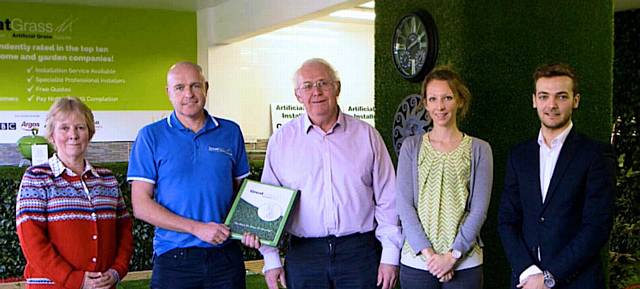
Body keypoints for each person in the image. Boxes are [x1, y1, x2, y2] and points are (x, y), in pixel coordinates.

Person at [242, 58, 402, 289]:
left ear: (337, 87)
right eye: (307, 86)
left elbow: (388, 198)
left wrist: (390, 255)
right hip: (304, 256)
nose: (316, 92)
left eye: (323, 83)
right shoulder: (282, 141)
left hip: (360, 254)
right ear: (298, 95)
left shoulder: (367, 136)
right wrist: (271, 258)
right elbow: (269, 204)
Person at [127, 61, 250, 289]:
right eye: (179, 87)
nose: (188, 94)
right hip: (174, 258)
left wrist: (253, 228)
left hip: (225, 256)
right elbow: (141, 205)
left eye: (195, 86)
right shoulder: (150, 136)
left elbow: (243, 194)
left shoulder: (230, 132)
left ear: (206, 87)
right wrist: (197, 228)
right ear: (169, 93)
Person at [498, 63, 616, 289]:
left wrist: (549, 277)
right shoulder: (519, 156)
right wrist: (529, 272)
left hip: (577, 282)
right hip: (526, 282)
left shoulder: (595, 155)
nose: (551, 105)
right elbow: (507, 220)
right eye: (544, 96)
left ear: (576, 100)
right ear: (534, 100)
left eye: (561, 96)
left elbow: (597, 226)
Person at [16, 97, 133, 289]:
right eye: (64, 128)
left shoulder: (107, 179)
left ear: (89, 133)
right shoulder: (36, 178)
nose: (73, 135)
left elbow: (124, 230)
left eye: (80, 127)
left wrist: (117, 271)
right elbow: (32, 241)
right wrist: (74, 279)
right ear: (52, 135)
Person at [395, 67, 493, 288]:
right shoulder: (411, 147)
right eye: (433, 99)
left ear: (459, 100)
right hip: (418, 263)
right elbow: (404, 205)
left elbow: (479, 209)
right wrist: (432, 258)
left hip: (465, 264)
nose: (440, 106)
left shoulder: (480, 149)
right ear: (426, 103)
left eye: (447, 98)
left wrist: (451, 257)